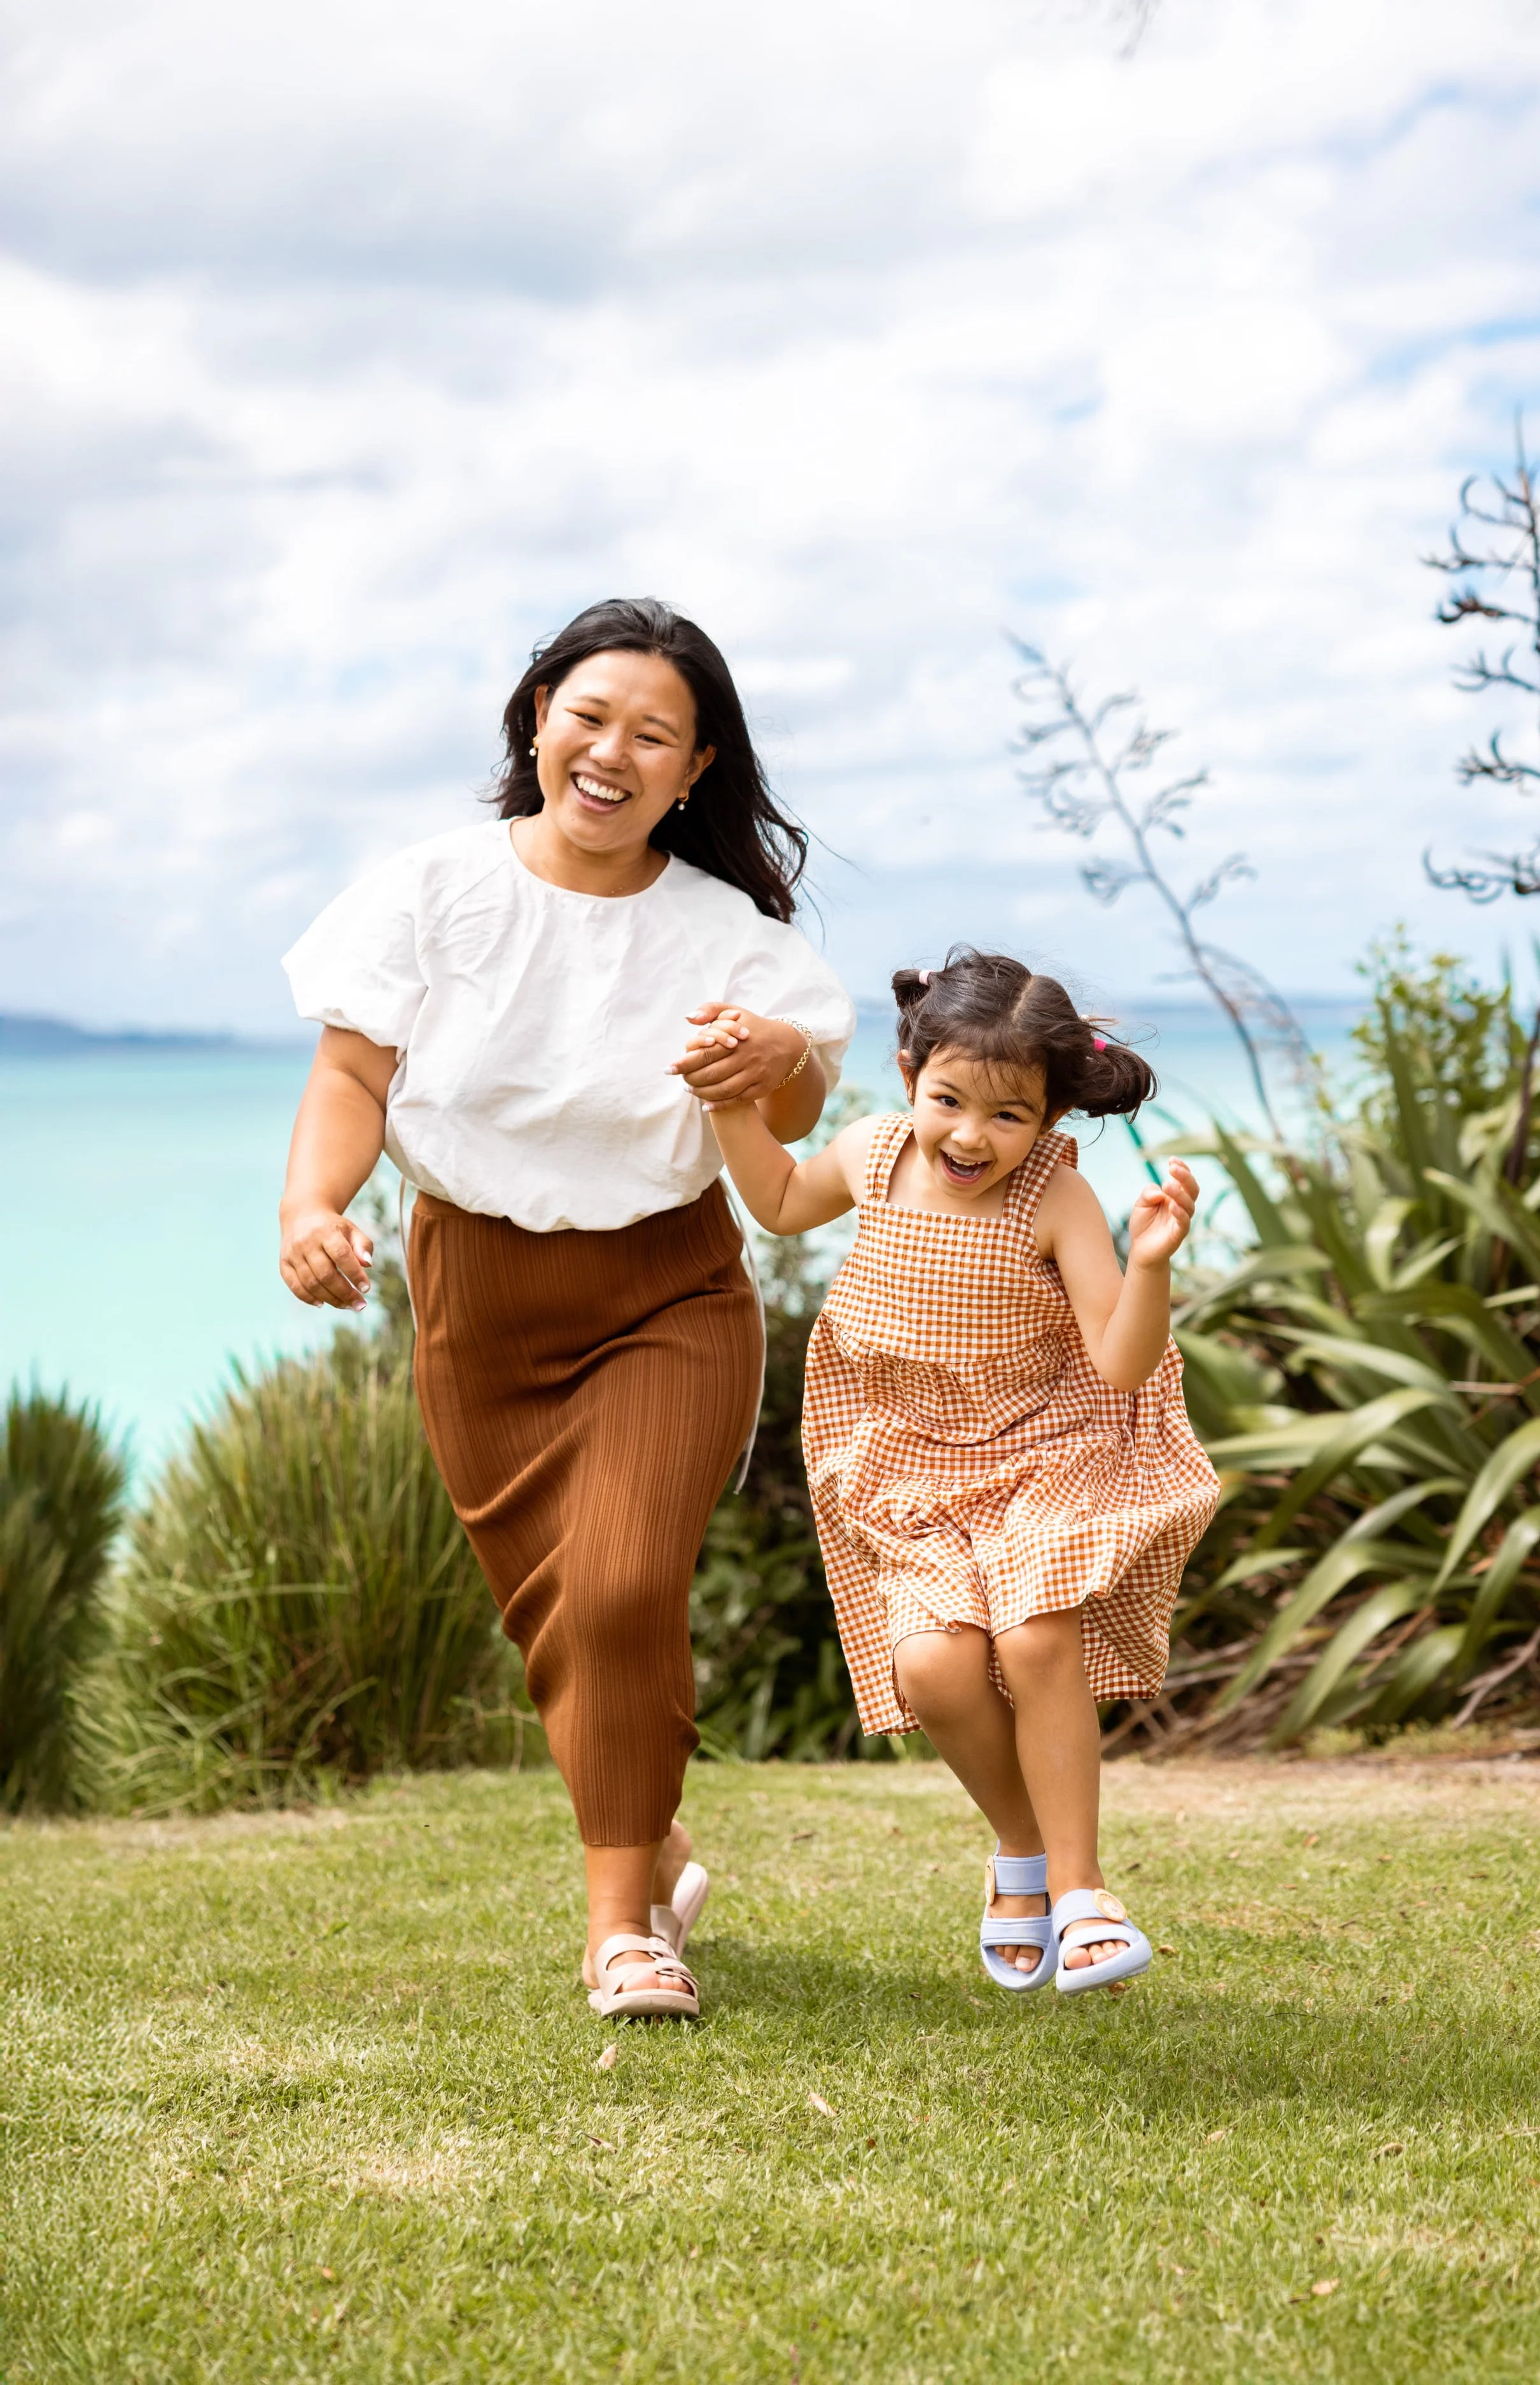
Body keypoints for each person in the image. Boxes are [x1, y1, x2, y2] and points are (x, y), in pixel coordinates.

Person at [277, 598, 854, 2021]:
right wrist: (309, 1211)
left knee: (618, 1584)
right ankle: (647, 1834)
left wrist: (779, 1052)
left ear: (695, 767)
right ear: (537, 715)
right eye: (588, 715)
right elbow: (352, 1080)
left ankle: (622, 1932)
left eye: (653, 734)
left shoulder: (729, 935)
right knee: (558, 1617)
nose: (611, 751)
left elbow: (794, 1106)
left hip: (666, 1290)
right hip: (475, 1295)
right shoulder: (428, 891)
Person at [698, 947, 1220, 1996]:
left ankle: (1079, 1890)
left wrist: (1152, 1264)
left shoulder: (1057, 1203)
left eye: (1009, 1116)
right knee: (933, 1669)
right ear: (908, 1077)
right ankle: (1019, 1854)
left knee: (1032, 1639)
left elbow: (1119, 1363)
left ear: (1051, 1119)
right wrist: (728, 1100)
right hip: (905, 1456)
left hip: (1041, 1447)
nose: (971, 1137)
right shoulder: (869, 1153)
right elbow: (780, 1201)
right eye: (948, 1100)